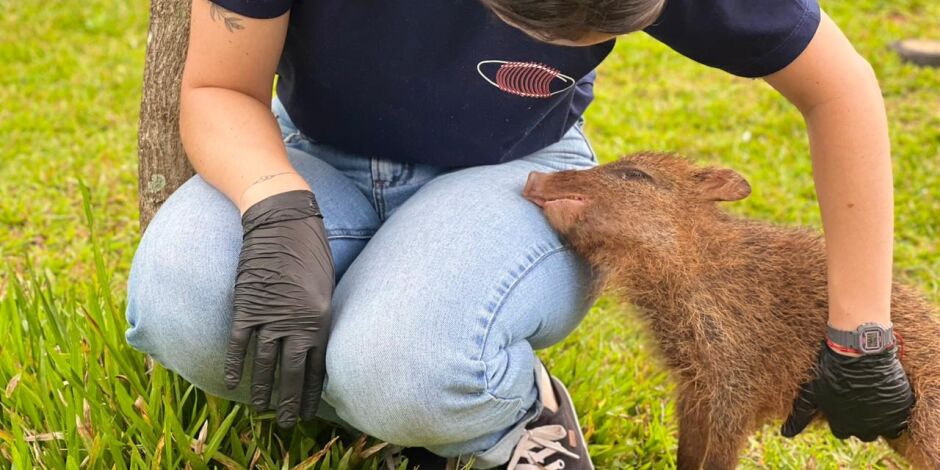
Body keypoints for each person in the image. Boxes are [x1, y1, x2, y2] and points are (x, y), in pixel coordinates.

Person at [124, 0, 913, 468]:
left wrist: (862, 334)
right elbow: (218, 86)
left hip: (516, 169)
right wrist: (274, 207)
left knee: (405, 370)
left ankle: (499, 417)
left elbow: (840, 90)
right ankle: (405, 393)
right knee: (180, 307)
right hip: (307, 153)